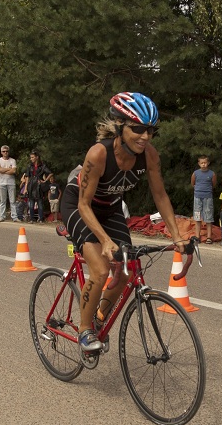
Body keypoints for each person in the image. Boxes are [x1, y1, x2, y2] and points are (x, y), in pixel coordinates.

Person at [60, 92, 186, 352]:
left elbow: (160, 196)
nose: (145, 136)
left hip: (111, 207)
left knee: (126, 271)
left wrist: (177, 235)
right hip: (79, 206)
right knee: (100, 270)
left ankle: (99, 319)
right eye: (137, 129)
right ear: (120, 125)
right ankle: (84, 330)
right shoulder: (99, 154)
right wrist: (105, 241)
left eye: (150, 130)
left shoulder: (149, 155)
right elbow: (84, 204)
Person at [191, 155, 216, 244]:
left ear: (208, 163)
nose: (203, 164)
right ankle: (197, 236)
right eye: (202, 163)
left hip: (208, 197)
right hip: (197, 197)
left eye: (205, 163)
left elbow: (213, 184)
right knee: (197, 216)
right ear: (199, 163)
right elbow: (193, 183)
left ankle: (209, 237)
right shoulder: (195, 173)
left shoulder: (212, 174)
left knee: (208, 216)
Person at [25, 150, 51, 223]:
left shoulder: (42, 166)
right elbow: (27, 176)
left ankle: (41, 218)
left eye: (32, 157)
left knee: (40, 202)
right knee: (31, 203)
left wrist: (44, 181)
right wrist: (26, 187)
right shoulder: (30, 166)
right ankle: (31, 218)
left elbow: (50, 173)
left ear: (37, 157)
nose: (31, 159)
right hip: (31, 184)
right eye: (31, 157)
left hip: (38, 185)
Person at [0, 145, 18, 222]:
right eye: (4, 151)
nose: (5, 153)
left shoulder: (13, 160)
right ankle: (2, 216)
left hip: (11, 182)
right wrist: (9, 169)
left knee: (12, 200)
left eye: (6, 151)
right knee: (2, 201)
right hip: (1, 182)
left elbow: (13, 171)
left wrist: (3, 170)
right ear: (1, 152)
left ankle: (14, 217)